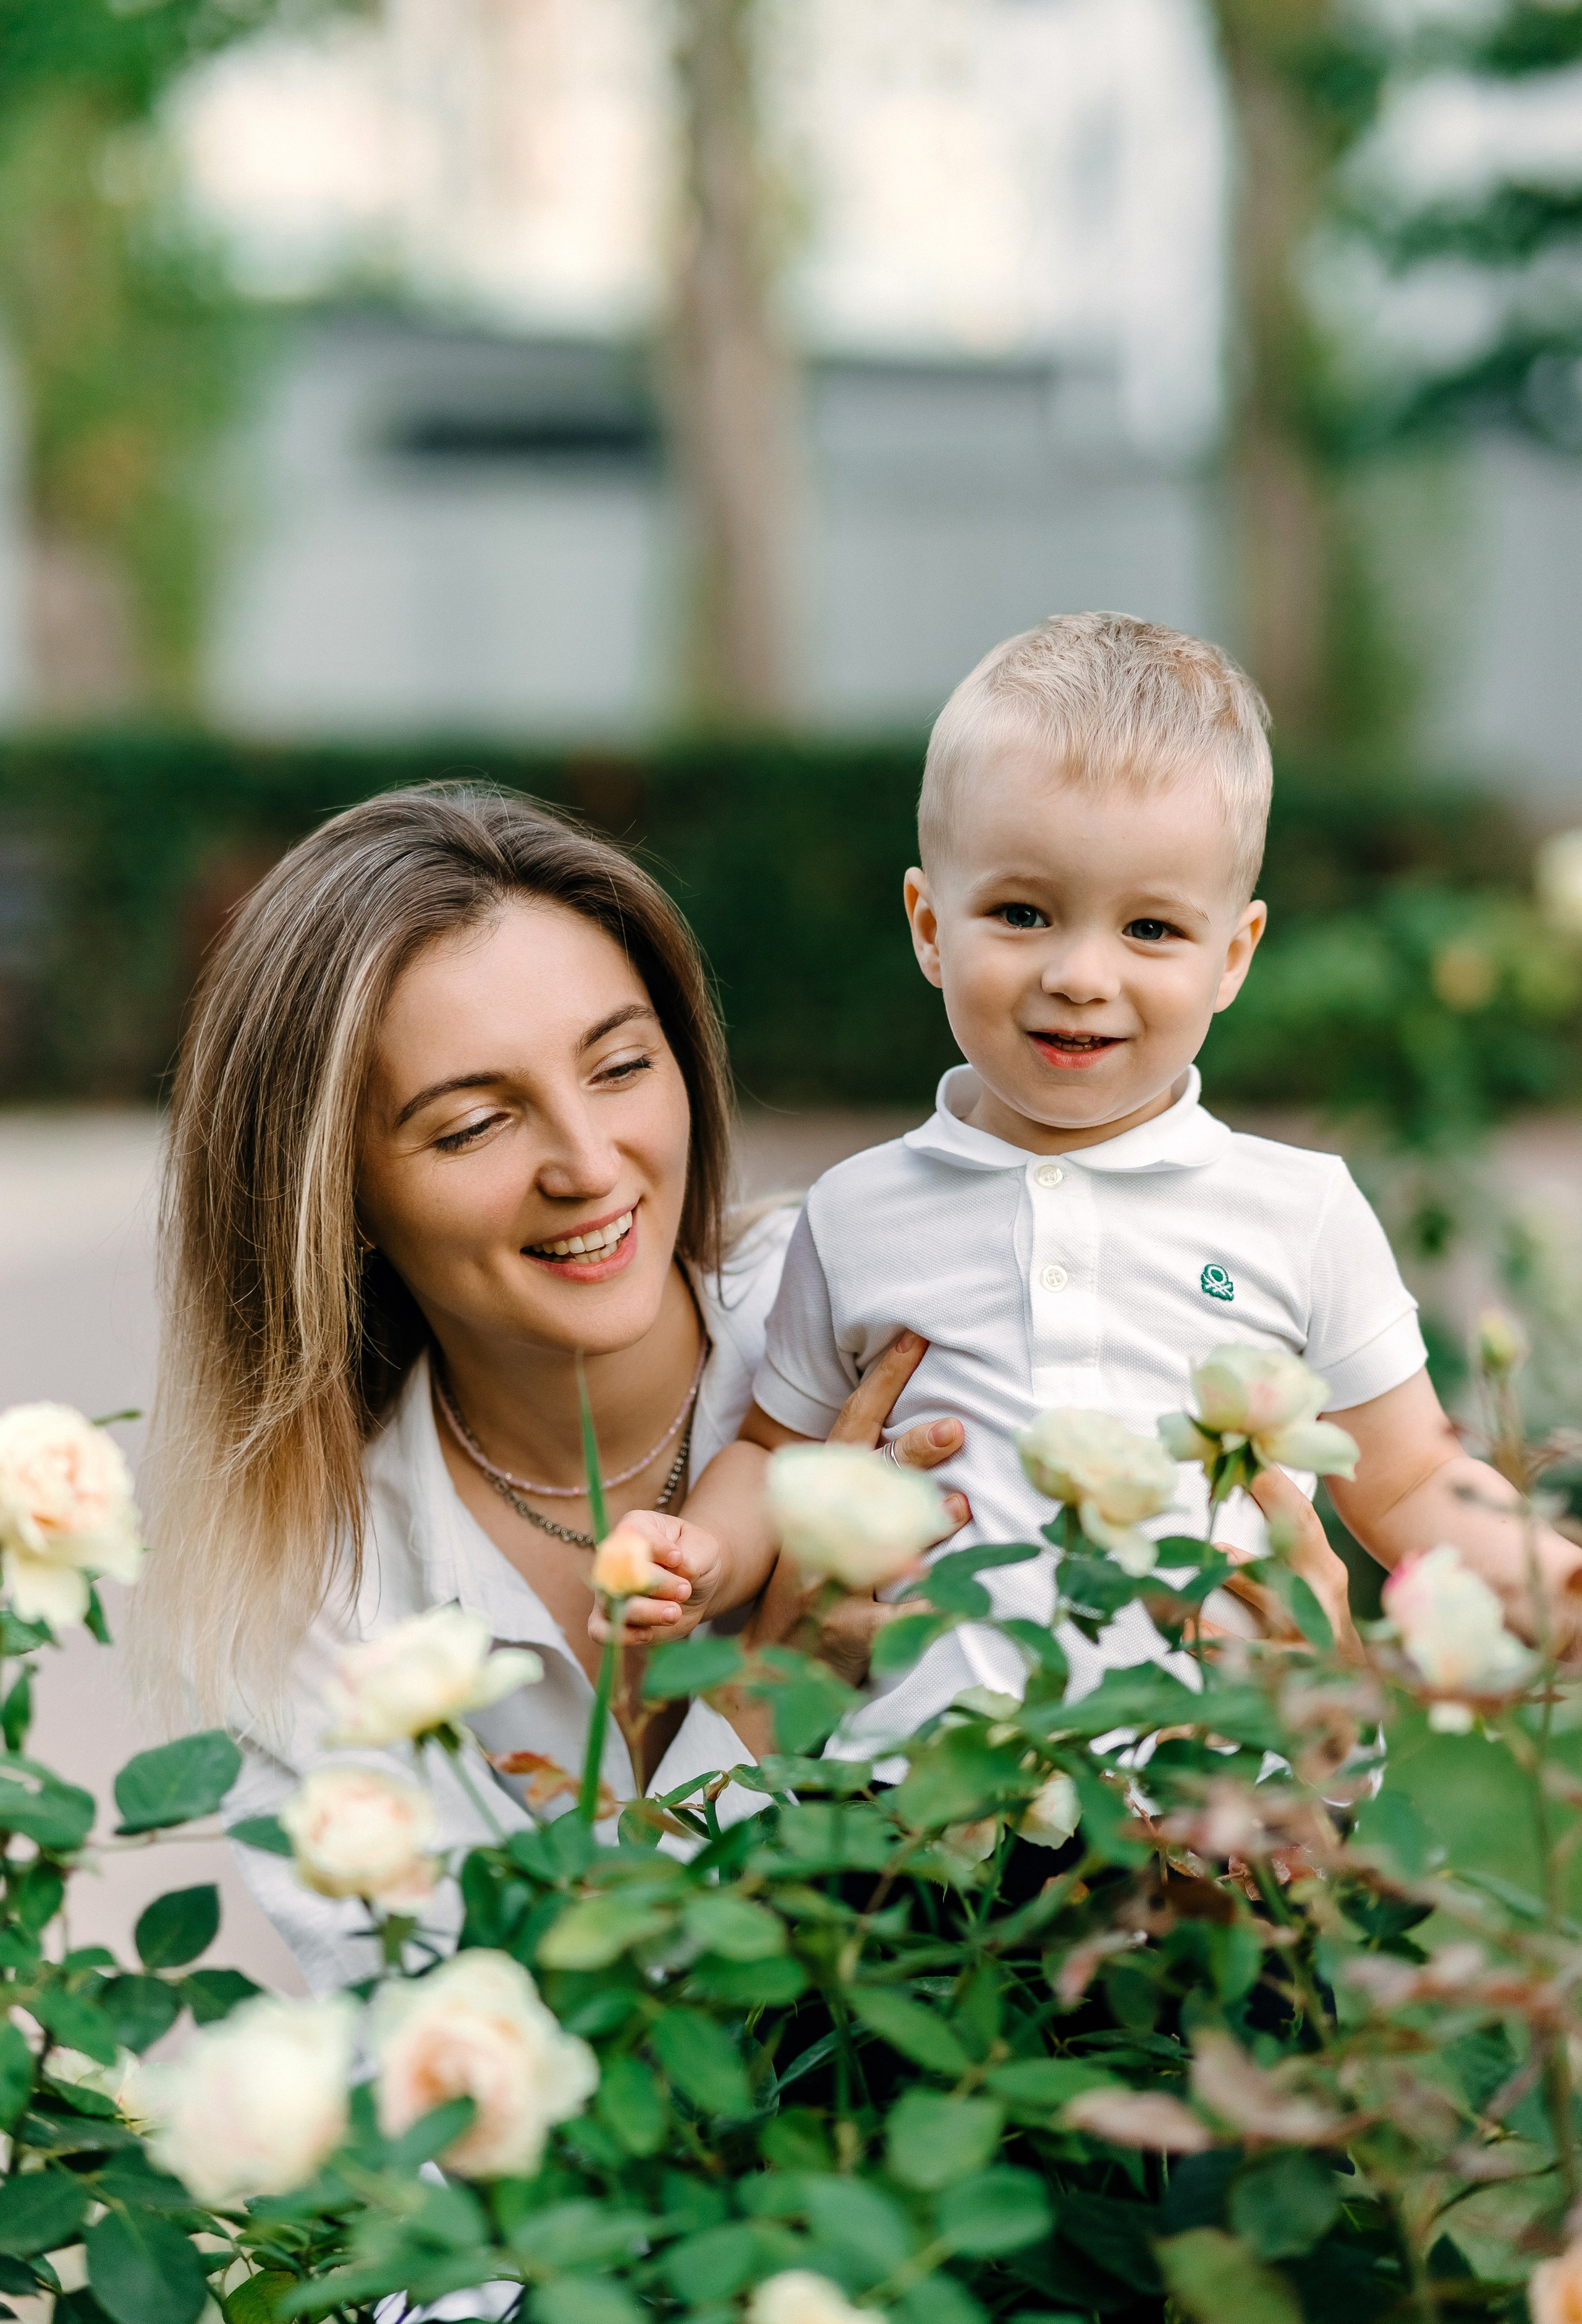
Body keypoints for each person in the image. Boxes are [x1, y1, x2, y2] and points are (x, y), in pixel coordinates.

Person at [625, 611, 1578, 1746]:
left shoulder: (1299, 1210)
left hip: (1219, 1811)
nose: (1081, 974)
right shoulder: (859, 1213)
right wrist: (705, 1551)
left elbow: (1412, 1476)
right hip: (929, 1821)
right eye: (1022, 914)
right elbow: (776, 1459)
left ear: (1233, 955)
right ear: (931, 925)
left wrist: (1548, 1582)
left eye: (1152, 929)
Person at [132, 784, 964, 1992]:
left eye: (620, 1066)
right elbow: (455, 2101)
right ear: (336, 1202)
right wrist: (748, 1730)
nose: (586, 1164)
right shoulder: (312, 1605)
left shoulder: (890, 1321)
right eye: (473, 1127)